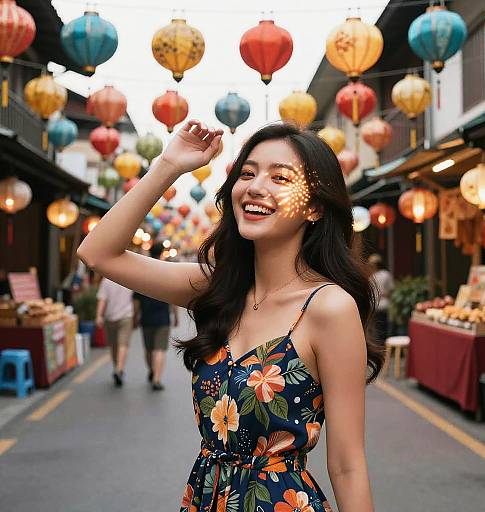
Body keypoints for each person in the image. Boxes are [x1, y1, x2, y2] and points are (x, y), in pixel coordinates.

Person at [78, 119, 384, 512]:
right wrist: (168, 165)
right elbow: (98, 253)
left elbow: (347, 466)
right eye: (248, 173)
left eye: (280, 178)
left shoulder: (329, 307)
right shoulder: (217, 289)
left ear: (314, 207)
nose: (256, 187)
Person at [133, 242, 179, 391]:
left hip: (146, 316)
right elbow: (173, 296)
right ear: (161, 253)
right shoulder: (166, 271)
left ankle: (152, 371)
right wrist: (176, 315)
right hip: (162, 317)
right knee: (159, 349)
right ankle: (157, 379)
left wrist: (135, 316)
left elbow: (136, 299)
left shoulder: (142, 272)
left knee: (149, 348)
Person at [96, 277, 133, 387]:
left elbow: (102, 299)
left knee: (113, 345)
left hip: (109, 317)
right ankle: (119, 369)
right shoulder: (129, 279)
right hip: (126, 316)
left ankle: (116, 367)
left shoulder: (106, 281)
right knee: (123, 344)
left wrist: (98, 315)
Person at [368, 253, 394, 344]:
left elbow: (390, 291)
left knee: (378, 329)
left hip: (378, 306)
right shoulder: (376, 275)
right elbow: (391, 290)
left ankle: (381, 347)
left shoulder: (374, 276)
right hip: (380, 305)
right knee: (381, 329)